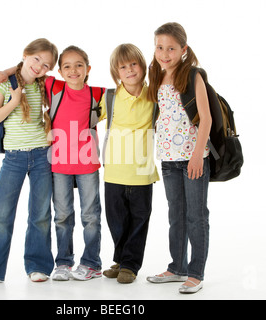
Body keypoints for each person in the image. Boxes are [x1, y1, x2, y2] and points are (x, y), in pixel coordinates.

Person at [0, 46, 103, 281]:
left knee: (91, 215)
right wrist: (5, 71)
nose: (73, 70)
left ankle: (92, 263)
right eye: (67, 66)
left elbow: (126, 98)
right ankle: (64, 262)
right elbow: (27, 70)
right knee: (62, 215)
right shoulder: (54, 86)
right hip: (58, 164)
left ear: (88, 69)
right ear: (59, 71)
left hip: (87, 164)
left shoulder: (99, 94)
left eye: (79, 65)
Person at [0, 38, 59, 287]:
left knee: (40, 214)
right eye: (36, 59)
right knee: (1, 214)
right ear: (25, 55)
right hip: (14, 157)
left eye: (46, 64)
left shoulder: (42, 85)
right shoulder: (4, 85)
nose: (39, 66)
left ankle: (38, 265)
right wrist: (14, 101)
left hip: (41, 156)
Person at [146, 22, 212, 294]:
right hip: (169, 159)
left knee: (196, 216)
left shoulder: (193, 75)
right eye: (160, 47)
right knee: (177, 215)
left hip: (193, 158)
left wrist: (197, 155)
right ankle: (177, 268)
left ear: (183, 49)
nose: (164, 53)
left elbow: (205, 118)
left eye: (171, 48)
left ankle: (195, 273)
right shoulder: (157, 76)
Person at [99, 44, 159, 284]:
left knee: (139, 220)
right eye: (123, 67)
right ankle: (121, 260)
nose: (130, 70)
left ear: (143, 66)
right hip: (114, 171)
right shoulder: (110, 98)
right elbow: (84, 114)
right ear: (116, 73)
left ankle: (130, 265)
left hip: (142, 173)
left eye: (134, 64)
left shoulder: (154, 95)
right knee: (116, 220)